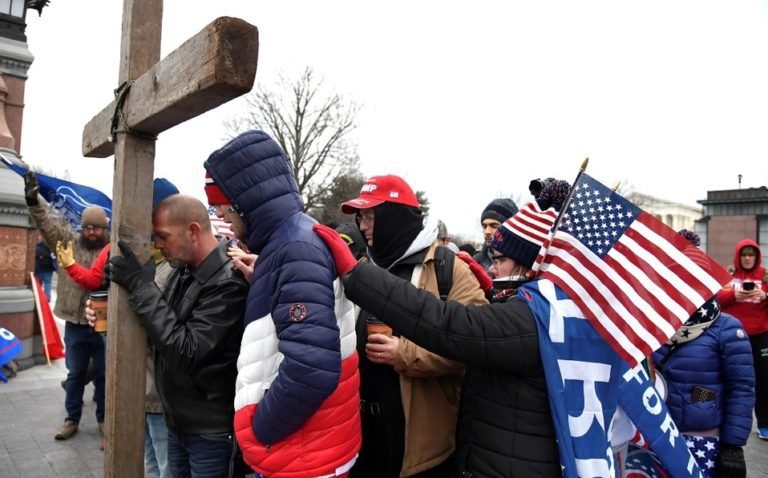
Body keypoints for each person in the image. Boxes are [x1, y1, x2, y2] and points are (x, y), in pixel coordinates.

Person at [313, 178, 703, 478]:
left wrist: (354, 271)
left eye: (501, 259)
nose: (492, 267)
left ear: (530, 264)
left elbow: (446, 325)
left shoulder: (534, 317)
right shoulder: (580, 311)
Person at [204, 130, 361, 478]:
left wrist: (262, 430)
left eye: (224, 207)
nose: (223, 217)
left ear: (244, 202)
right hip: (311, 444)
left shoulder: (293, 250)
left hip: (300, 453)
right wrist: (265, 279)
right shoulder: (291, 242)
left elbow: (311, 369)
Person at [337, 174, 487, 478]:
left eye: (369, 216)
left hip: (418, 447)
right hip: (358, 437)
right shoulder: (362, 269)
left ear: (394, 218)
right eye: (360, 218)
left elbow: (475, 343)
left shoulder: (448, 269)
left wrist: (404, 353)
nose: (362, 225)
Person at [107, 194, 249, 477]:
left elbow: (186, 351)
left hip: (210, 432)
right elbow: (162, 331)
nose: (158, 245)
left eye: (163, 236)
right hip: (179, 423)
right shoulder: (183, 271)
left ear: (193, 232)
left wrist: (142, 289)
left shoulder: (227, 282)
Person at [62, 178, 178, 473]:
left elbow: (169, 328)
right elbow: (96, 282)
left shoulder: (175, 266)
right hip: (136, 385)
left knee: (164, 466)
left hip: (160, 391)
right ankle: (74, 418)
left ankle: (100, 419)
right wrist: (103, 315)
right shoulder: (126, 253)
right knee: (151, 464)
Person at [650, 229, 754, 478]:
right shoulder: (652, 323)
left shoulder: (727, 328)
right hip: (654, 437)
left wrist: (732, 446)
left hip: (702, 441)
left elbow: (741, 388)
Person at [24, 171, 107, 442]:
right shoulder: (68, 241)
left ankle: (105, 419)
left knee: (106, 375)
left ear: (105, 229)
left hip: (105, 325)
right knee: (76, 374)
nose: (91, 232)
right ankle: (71, 418)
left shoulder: (112, 250)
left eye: (96, 228)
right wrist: (33, 200)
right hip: (75, 323)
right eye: (87, 227)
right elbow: (46, 224)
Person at [717, 238, 768, 441]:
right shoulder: (727, 274)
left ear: (756, 257)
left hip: (761, 337)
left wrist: (765, 295)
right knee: (727, 379)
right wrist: (734, 295)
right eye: (744, 254)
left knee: (764, 380)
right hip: (732, 336)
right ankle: (720, 420)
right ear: (738, 256)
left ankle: (764, 423)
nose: (748, 258)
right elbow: (716, 299)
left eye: (751, 255)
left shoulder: (765, 275)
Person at [472, 198, 518, 274]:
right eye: (484, 226)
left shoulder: (524, 263)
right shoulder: (475, 262)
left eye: (494, 226)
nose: (487, 231)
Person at [34, 235, 56, 301]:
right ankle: (47, 298)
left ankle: (38, 297)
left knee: (38, 284)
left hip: (39, 269)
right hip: (48, 269)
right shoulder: (50, 247)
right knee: (48, 283)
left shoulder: (38, 247)